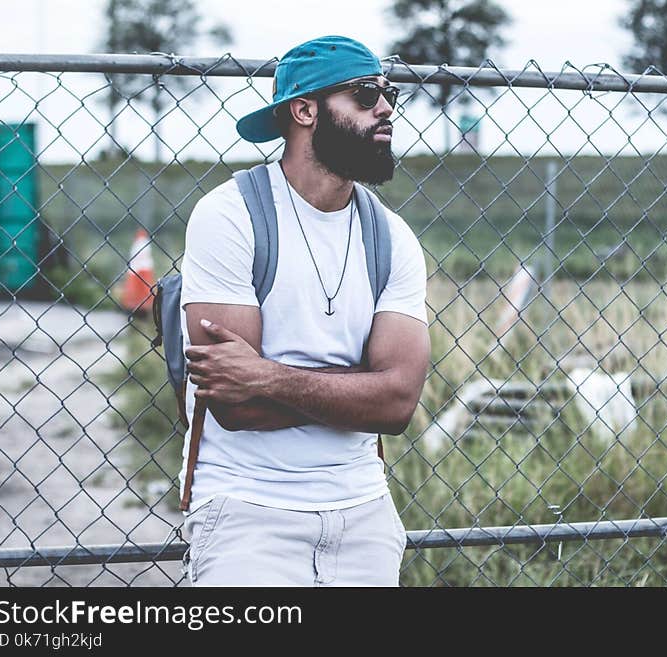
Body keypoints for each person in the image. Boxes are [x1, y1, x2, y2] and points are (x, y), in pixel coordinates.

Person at [178, 35, 430, 586]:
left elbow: (398, 404)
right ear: (304, 109)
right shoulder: (231, 216)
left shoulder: (391, 237)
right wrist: (359, 389)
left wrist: (267, 374)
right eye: (365, 94)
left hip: (364, 512)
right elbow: (235, 408)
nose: (385, 107)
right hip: (247, 512)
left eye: (390, 93)